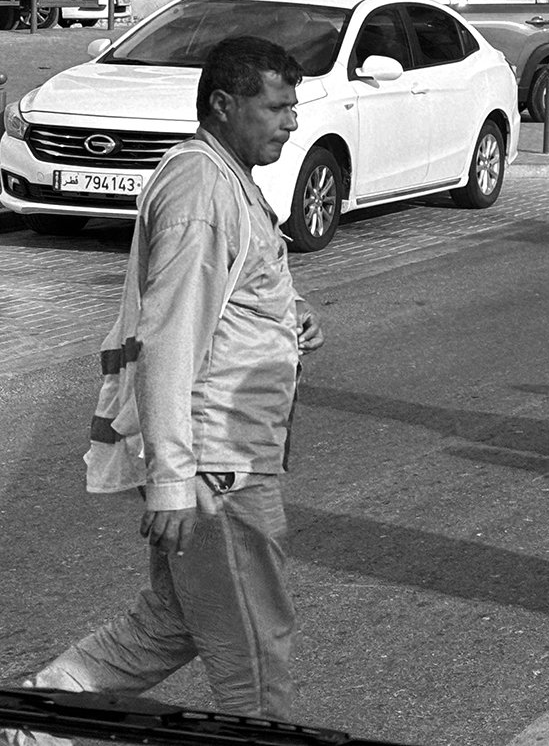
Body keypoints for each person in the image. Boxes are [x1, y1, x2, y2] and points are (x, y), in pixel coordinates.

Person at [11, 37, 323, 722]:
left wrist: (286, 318)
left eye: (292, 106)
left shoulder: (222, 178)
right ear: (222, 104)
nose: (291, 121)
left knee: (174, 623)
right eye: (276, 107)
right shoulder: (203, 190)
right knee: (254, 651)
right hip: (220, 469)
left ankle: (36, 720)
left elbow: (227, 294)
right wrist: (177, 481)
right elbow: (170, 338)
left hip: (225, 460)